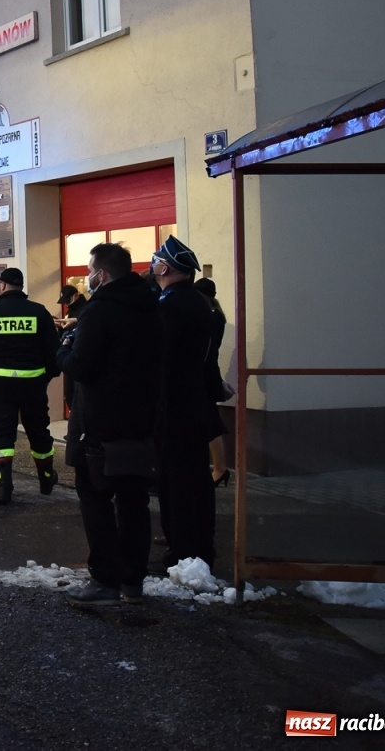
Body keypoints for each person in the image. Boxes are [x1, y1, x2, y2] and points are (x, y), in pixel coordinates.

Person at [56, 243, 163, 605]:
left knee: (96, 498)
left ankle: (105, 580)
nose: (87, 277)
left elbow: (82, 366)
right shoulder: (151, 307)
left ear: (101, 274)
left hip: (99, 424)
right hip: (140, 421)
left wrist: (64, 347)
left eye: (89, 270)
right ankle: (133, 582)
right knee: (134, 502)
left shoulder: (99, 311)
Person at [150, 236, 218, 571]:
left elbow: (161, 359)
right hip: (191, 403)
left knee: (177, 481)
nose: (153, 265)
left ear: (166, 267)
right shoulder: (194, 302)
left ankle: (184, 550)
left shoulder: (172, 306)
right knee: (193, 479)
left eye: (156, 260)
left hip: (174, 407)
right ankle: (196, 544)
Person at [0, 267, 61, 504]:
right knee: (39, 431)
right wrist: (45, 377)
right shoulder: (39, 313)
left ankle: (3, 485)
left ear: (2, 285)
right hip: (33, 386)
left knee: (3, 434)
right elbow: (55, 352)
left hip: (0, 387)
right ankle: (46, 477)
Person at [196, 278, 232, 486]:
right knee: (209, 421)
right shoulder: (215, 315)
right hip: (208, 373)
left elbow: (208, 353)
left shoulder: (212, 317)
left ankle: (219, 468)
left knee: (210, 423)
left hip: (205, 375)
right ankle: (219, 468)